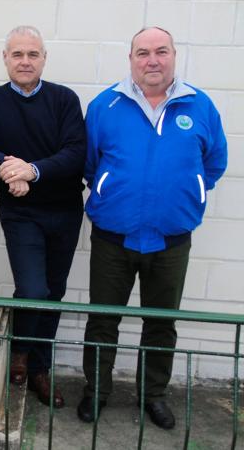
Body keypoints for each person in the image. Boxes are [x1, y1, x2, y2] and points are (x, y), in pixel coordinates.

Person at [78, 27, 228, 429]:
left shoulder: (200, 106)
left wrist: (187, 191)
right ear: (131, 59)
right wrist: (111, 193)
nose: (152, 60)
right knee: (103, 319)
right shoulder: (105, 105)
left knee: (161, 321)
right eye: (143, 52)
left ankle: (153, 394)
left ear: (174, 56)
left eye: (161, 51)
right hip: (113, 236)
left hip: (171, 240)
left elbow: (214, 162)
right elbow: (91, 164)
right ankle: (96, 391)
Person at [0, 26, 86, 408]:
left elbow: (76, 152)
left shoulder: (64, 99)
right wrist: (8, 167)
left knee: (54, 292)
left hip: (64, 211)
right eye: (17, 54)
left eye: (33, 54)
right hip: (21, 213)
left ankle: (39, 368)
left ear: (44, 58)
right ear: (5, 58)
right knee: (32, 290)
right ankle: (20, 353)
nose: (25, 61)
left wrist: (34, 170)